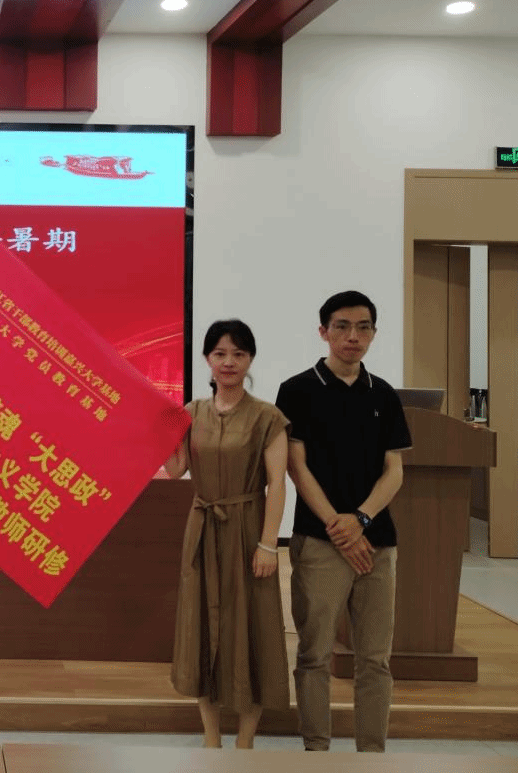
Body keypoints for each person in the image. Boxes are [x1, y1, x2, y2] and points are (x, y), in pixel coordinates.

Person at [276, 290, 410, 753]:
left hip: (377, 543)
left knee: (375, 659)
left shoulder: (384, 394)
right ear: (324, 331)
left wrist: (361, 519)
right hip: (319, 540)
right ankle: (317, 751)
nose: (353, 336)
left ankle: (372, 754)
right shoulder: (297, 390)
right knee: (314, 654)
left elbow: (395, 470)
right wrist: (338, 525)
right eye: (342, 326)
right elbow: (296, 466)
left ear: (373, 333)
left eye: (363, 327)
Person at [167, 319, 290, 749]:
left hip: (248, 529)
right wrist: (159, 429)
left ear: (250, 359)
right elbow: (175, 469)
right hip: (202, 529)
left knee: (252, 626)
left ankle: (246, 741)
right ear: (207, 359)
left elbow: (278, 484)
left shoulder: (267, 416)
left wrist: (268, 544)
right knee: (201, 625)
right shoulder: (191, 412)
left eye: (238, 353)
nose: (229, 362)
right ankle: (212, 738)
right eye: (220, 353)